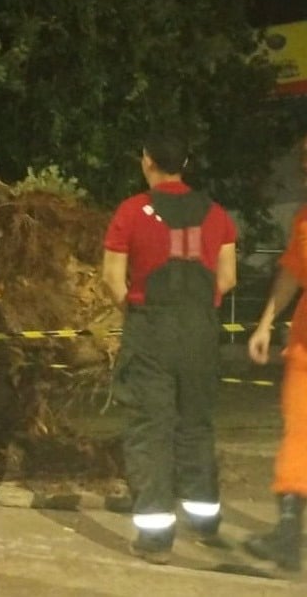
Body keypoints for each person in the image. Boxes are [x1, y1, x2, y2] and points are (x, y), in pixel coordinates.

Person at [102, 131, 237, 564]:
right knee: (196, 423)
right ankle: (205, 522)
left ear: (147, 162)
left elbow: (112, 278)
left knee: (150, 430)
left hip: (151, 328)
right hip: (200, 330)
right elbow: (227, 278)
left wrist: (138, 312)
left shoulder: (130, 211)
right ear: (186, 164)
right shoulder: (216, 214)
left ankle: (156, 539)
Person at [243, 135, 307, 572]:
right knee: (298, 438)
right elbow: (292, 271)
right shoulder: (304, 220)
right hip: (303, 350)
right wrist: (266, 322)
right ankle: (287, 533)